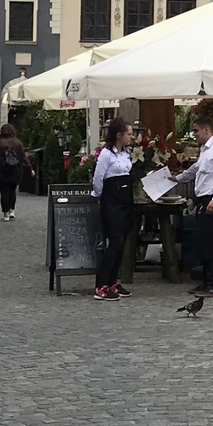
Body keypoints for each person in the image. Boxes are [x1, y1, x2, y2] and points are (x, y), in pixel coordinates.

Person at [170, 111, 213, 299]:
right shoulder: (204, 151)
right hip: (203, 200)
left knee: (210, 243)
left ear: (207, 129)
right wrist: (176, 178)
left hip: (212, 200)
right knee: (203, 242)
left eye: (196, 131)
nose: (194, 134)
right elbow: (195, 170)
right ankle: (207, 281)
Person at [91, 118, 135, 301]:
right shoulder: (106, 154)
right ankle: (101, 284)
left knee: (122, 243)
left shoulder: (126, 154)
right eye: (129, 134)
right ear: (119, 135)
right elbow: (98, 177)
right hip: (112, 200)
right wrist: (100, 196)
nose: (132, 137)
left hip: (125, 197)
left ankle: (112, 282)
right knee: (114, 242)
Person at [0, 122, 30, 221]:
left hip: (2, 170)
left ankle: (5, 213)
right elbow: (23, 156)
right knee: (12, 191)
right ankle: (12, 210)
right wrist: (30, 168)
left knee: (4, 191)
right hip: (15, 169)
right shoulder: (17, 143)